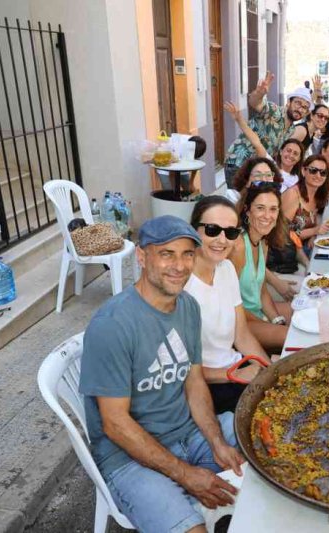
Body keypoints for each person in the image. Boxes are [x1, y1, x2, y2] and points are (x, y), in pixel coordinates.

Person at [79, 215, 245, 533]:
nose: (179, 266)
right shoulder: (112, 324)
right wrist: (185, 474)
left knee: (270, 443)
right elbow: (115, 424)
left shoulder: (188, 307)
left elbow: (194, 381)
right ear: (142, 257)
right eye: (167, 254)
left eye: (187, 254)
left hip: (189, 435)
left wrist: (216, 442)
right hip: (129, 458)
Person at [186, 197, 271, 414]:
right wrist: (233, 374)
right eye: (212, 230)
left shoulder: (226, 269)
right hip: (207, 386)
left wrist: (271, 371)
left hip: (235, 367)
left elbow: (241, 336)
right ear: (194, 230)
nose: (222, 240)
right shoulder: (181, 285)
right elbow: (178, 371)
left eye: (231, 232)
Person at [231, 183, 293, 352]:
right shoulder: (238, 247)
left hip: (256, 312)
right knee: (292, 337)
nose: (267, 216)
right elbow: (229, 303)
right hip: (239, 322)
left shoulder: (262, 242)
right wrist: (266, 323)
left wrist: (277, 320)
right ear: (247, 210)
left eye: (273, 209)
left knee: (306, 311)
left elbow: (262, 291)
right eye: (260, 208)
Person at [224, 72, 311, 188]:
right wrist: (259, 94)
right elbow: (256, 103)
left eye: (304, 107)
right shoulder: (274, 111)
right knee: (238, 198)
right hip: (239, 163)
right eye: (298, 103)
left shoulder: (291, 130)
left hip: (257, 170)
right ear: (289, 102)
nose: (300, 109)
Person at [223, 101, 304, 192]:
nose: (291, 155)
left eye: (295, 153)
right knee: (238, 196)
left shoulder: (296, 179)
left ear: (299, 158)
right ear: (281, 152)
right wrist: (239, 119)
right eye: (288, 150)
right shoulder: (270, 166)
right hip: (237, 164)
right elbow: (256, 142)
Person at [281, 155, 329, 255]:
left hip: (304, 247)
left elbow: (313, 223)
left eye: (323, 173)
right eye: (313, 170)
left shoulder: (316, 195)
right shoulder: (293, 194)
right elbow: (284, 234)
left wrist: (313, 235)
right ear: (303, 171)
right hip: (287, 252)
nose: (318, 176)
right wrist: (314, 231)